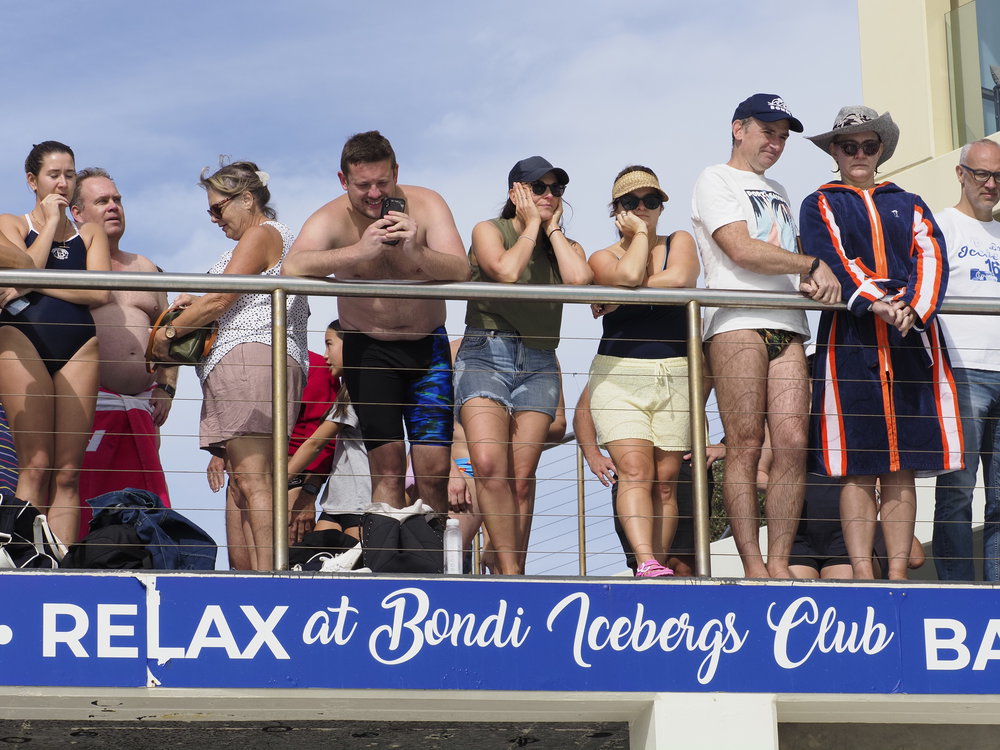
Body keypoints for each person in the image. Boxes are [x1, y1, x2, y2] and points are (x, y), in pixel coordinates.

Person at [800, 105, 961, 580]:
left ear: (881, 150)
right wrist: (875, 302)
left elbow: (931, 255)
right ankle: (862, 573)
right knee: (858, 462)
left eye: (868, 146)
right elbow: (830, 256)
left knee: (902, 464)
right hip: (850, 336)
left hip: (909, 337)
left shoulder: (909, 202)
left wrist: (912, 306)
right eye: (848, 146)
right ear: (834, 152)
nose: (859, 154)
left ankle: (897, 574)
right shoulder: (820, 203)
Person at [691, 94, 841, 579]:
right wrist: (811, 264)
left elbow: (781, 257)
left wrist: (809, 278)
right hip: (737, 321)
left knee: (793, 443)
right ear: (739, 129)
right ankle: (753, 565)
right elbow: (740, 249)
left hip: (789, 324)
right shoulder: (714, 177)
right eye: (767, 132)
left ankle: (779, 563)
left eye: (782, 136)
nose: (775, 143)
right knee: (746, 442)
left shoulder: (777, 188)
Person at [283, 131, 469, 519]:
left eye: (382, 183)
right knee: (387, 467)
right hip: (369, 351)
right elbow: (293, 266)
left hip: (427, 348)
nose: (373, 194)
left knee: (434, 469)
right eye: (362, 185)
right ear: (343, 180)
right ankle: (389, 552)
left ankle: (431, 552)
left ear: (396, 172)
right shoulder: (331, 217)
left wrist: (416, 251)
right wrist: (357, 251)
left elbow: (460, 269)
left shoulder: (427, 204)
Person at [149, 161, 309, 571]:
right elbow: (223, 297)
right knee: (248, 481)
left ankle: (270, 578)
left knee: (253, 481)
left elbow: (222, 299)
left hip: (249, 360)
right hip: (261, 361)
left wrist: (168, 334)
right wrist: (197, 303)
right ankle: (261, 574)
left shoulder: (260, 234)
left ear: (247, 199)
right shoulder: (268, 238)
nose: (214, 218)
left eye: (218, 208)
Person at [452, 156, 592, 575]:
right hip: (486, 351)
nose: (548, 195)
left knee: (521, 476)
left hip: (538, 359)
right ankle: (511, 571)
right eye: (538, 187)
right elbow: (507, 271)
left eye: (556, 189)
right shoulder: (489, 230)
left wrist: (552, 229)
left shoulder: (564, 245)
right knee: (488, 464)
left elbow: (580, 281)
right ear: (516, 192)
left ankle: (509, 567)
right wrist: (531, 224)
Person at [586, 165, 699, 577]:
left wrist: (623, 295)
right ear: (616, 209)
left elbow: (682, 277)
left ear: (662, 206)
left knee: (666, 480)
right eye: (631, 202)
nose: (642, 208)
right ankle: (646, 561)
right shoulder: (602, 257)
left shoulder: (679, 241)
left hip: (675, 372)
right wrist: (637, 238)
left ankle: (658, 565)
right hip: (619, 375)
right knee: (635, 470)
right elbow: (632, 272)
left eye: (651, 200)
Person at [0, 141, 111, 543]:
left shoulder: (90, 232)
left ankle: (60, 563)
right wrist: (49, 222)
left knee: (67, 473)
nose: (63, 183)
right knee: (35, 463)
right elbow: (24, 265)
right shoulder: (13, 224)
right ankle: (22, 560)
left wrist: (33, 284)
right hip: (22, 338)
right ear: (33, 181)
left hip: (79, 346)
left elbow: (99, 293)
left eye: (69, 174)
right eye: (53, 175)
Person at [69, 168, 178, 538]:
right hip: (87, 409)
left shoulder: (145, 267)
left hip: (142, 410)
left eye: (117, 199)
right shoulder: (67, 265)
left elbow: (170, 333)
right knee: (86, 511)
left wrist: (167, 387)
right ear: (77, 213)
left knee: (144, 513)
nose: (113, 206)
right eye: (102, 201)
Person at [933, 138, 1000, 581]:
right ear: (961, 174)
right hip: (961, 372)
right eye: (981, 174)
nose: (991, 184)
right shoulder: (940, 227)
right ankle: (957, 592)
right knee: (957, 492)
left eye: (998, 176)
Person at [287, 321, 369, 541]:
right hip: (336, 502)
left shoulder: (358, 390)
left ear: (350, 346)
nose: (325, 355)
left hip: (360, 502)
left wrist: (278, 480)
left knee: (356, 561)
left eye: (329, 344)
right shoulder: (348, 390)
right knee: (313, 556)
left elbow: (315, 444)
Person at [286, 349, 340, 543]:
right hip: (246, 475)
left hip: (294, 482)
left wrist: (308, 492)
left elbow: (323, 442)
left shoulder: (318, 366)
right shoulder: (247, 360)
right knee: (241, 557)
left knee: (288, 555)